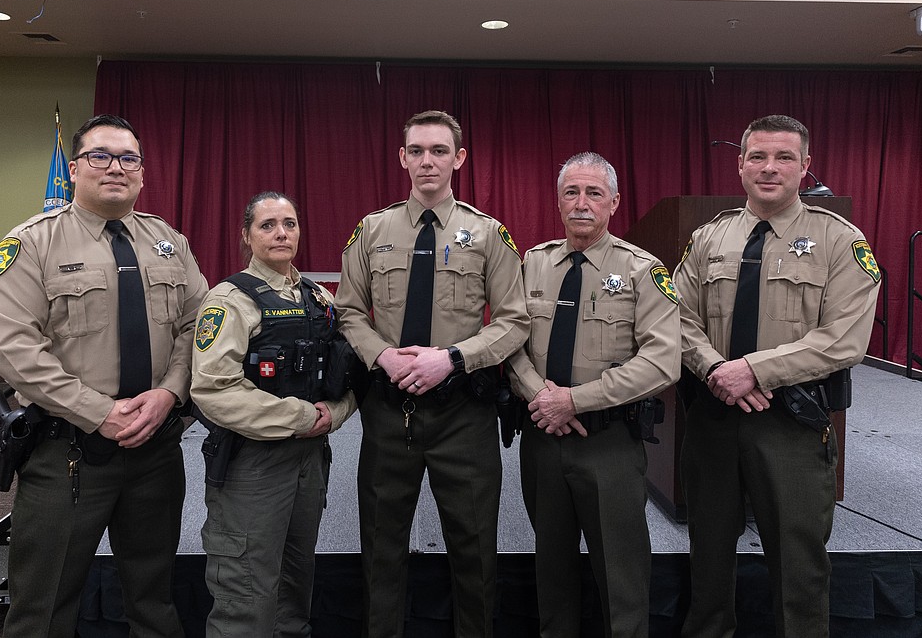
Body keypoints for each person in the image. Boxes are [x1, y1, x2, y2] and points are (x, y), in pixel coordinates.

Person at [0, 113, 209, 637]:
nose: (115, 168)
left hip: (155, 447)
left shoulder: (167, 240)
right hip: (69, 452)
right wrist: (99, 412)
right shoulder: (31, 244)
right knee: (43, 608)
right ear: (76, 169)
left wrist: (170, 393)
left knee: (154, 600)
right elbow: (14, 350)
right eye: (100, 156)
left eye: (129, 158)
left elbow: (200, 327)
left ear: (143, 173)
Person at [673, 115, 881, 638]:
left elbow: (845, 338)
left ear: (805, 167)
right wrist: (717, 369)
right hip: (714, 417)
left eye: (784, 157)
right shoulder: (709, 237)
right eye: (758, 156)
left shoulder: (840, 241)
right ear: (740, 163)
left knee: (799, 565)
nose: (770, 168)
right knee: (708, 557)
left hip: (791, 422)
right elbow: (673, 316)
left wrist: (753, 370)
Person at [336, 109, 530, 638]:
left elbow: (515, 321)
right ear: (402, 158)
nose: (427, 161)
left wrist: (454, 358)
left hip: (463, 414)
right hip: (387, 412)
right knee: (381, 547)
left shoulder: (488, 234)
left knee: (474, 551)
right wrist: (382, 356)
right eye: (416, 151)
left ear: (459, 159)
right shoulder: (371, 230)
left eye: (439, 151)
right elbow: (348, 311)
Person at [507, 152, 680, 638]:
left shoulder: (643, 270)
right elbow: (509, 343)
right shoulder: (533, 264)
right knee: (551, 570)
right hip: (543, 438)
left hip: (609, 444)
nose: (581, 204)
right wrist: (542, 397)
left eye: (594, 193)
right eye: (571, 192)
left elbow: (662, 361)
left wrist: (575, 401)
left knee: (621, 574)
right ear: (559, 200)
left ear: (614, 203)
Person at [190, 191, 357, 637]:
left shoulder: (320, 298)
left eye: (289, 223)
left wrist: (334, 413)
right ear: (247, 235)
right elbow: (213, 389)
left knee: (294, 589)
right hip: (252, 466)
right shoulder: (229, 300)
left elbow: (346, 375)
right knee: (246, 595)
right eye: (267, 225)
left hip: (308, 463)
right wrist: (302, 418)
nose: (281, 232)